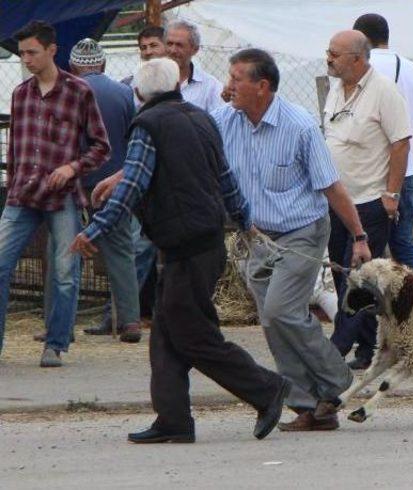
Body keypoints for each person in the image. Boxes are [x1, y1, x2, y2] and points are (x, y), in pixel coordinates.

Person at [70, 58, 289, 443]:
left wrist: (95, 229)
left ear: (139, 93)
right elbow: (225, 178)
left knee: (193, 335)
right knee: (166, 336)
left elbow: (133, 185)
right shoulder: (201, 119)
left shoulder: (148, 126)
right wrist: (242, 218)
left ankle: (265, 388)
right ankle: (172, 419)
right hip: (200, 243)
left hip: (185, 245)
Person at [212, 48, 371, 431]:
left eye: (237, 78)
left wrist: (359, 236)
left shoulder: (298, 125)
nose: (228, 86)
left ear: (262, 86)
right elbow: (185, 145)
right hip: (254, 238)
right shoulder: (223, 122)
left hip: (301, 232)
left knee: (282, 309)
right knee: (273, 319)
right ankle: (308, 406)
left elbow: (331, 187)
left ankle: (338, 385)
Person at [0, 21, 110, 367]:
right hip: (22, 194)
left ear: (52, 50)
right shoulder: (20, 93)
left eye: (32, 52)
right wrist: (13, 181)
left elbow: (101, 146)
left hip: (62, 195)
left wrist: (72, 168)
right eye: (22, 54)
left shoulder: (79, 91)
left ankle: (56, 343)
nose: (27, 59)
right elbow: (15, 148)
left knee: (65, 271)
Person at [324, 30, 411, 370]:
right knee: (342, 273)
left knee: (355, 280)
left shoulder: (384, 92)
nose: (328, 58)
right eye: (328, 52)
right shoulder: (335, 88)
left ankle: (332, 355)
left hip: (370, 201)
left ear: (357, 59)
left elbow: (401, 143)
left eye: (335, 53)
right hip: (337, 201)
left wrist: (391, 194)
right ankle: (367, 348)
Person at [87, 26, 168, 336]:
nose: (148, 51)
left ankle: (132, 314)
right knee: (137, 245)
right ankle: (123, 314)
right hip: (136, 177)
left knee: (140, 245)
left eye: (154, 45)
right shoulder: (128, 88)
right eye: (143, 46)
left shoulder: (205, 87)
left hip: (169, 180)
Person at [65, 38, 140, 343]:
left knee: (65, 252)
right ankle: (130, 321)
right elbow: (133, 137)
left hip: (75, 183)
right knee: (121, 251)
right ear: (104, 65)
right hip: (115, 184)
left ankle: (60, 325)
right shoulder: (124, 93)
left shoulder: (68, 92)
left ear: (72, 67)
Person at [353, 13, 413, 273]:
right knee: (404, 243)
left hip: (367, 177)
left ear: (360, 39)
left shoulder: (356, 67)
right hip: (405, 172)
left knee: (363, 246)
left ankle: (367, 309)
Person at [166, 19, 224, 112]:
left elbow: (217, 123)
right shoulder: (151, 80)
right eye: (169, 44)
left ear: (195, 49)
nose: (173, 50)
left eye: (179, 45)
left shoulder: (211, 87)